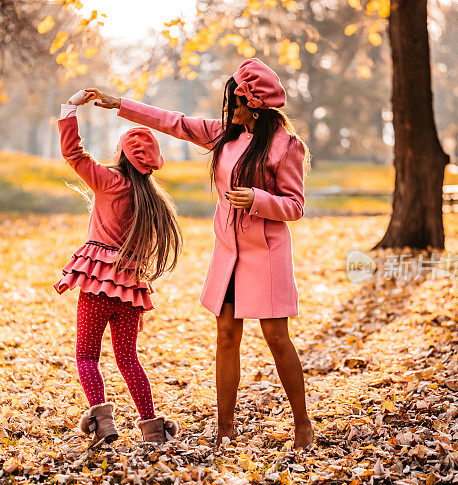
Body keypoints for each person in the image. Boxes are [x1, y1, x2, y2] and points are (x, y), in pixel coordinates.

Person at [86, 58, 314, 449]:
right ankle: (225, 430)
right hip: (228, 254)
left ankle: (302, 424)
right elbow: (175, 122)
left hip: (267, 253)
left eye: (236, 101)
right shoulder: (225, 135)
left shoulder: (286, 146)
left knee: (276, 337)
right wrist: (119, 104)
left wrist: (257, 199)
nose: (230, 109)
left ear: (254, 103)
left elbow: (294, 205)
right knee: (226, 336)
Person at [54, 89, 181, 444]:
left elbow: (73, 153)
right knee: (129, 359)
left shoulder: (110, 183)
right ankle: (152, 428)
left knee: (86, 356)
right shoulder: (153, 199)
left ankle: (104, 424)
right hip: (130, 290)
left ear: (122, 154)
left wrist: (70, 107)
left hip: (97, 285)